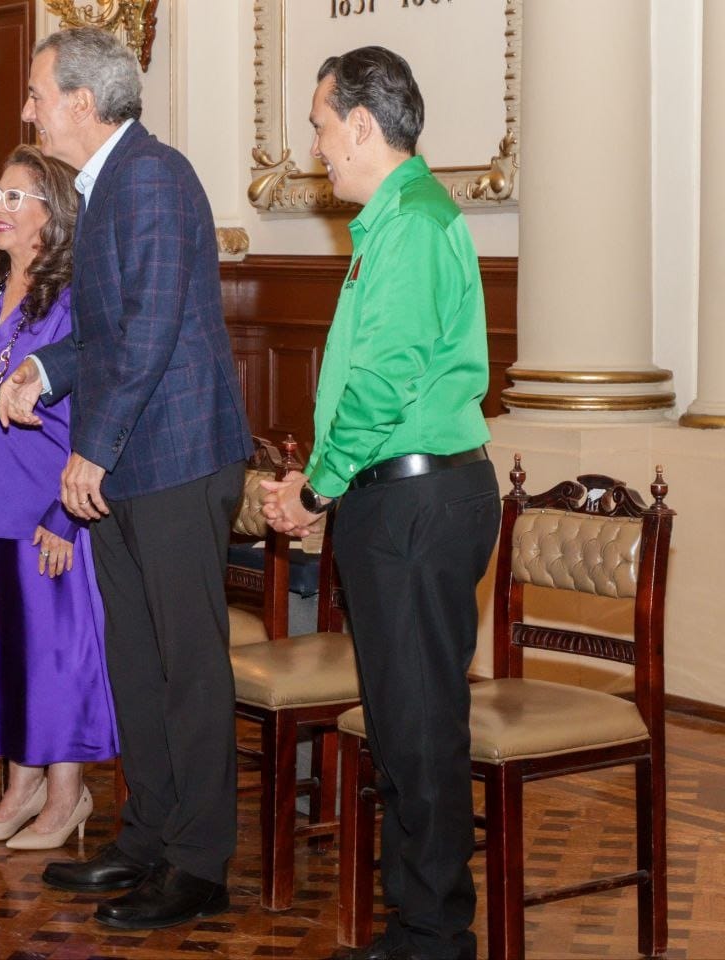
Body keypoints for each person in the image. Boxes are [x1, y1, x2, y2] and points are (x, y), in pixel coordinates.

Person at [0, 27, 253, 930]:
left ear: (82, 99)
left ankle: (198, 861)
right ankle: (147, 835)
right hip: (139, 458)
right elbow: (110, 331)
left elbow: (147, 330)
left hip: (176, 456)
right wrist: (46, 371)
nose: (27, 109)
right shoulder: (110, 182)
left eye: (37, 93)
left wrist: (90, 448)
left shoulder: (146, 175)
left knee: (186, 666)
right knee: (136, 663)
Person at [261, 47, 500, 960]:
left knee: (419, 725)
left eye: (321, 126)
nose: (316, 147)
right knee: (405, 721)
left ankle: (437, 936)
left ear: (362, 123)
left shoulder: (408, 224)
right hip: (397, 496)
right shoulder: (398, 221)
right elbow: (368, 388)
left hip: (416, 501)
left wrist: (322, 482)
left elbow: (384, 381)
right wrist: (331, 481)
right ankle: (421, 922)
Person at [0, 145, 118, 850]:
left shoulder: (76, 299)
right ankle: (20, 788)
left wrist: (63, 516)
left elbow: (90, 412)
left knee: (56, 653)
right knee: (7, 648)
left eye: (17, 197)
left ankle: (67, 796)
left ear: (56, 213)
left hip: (51, 500)